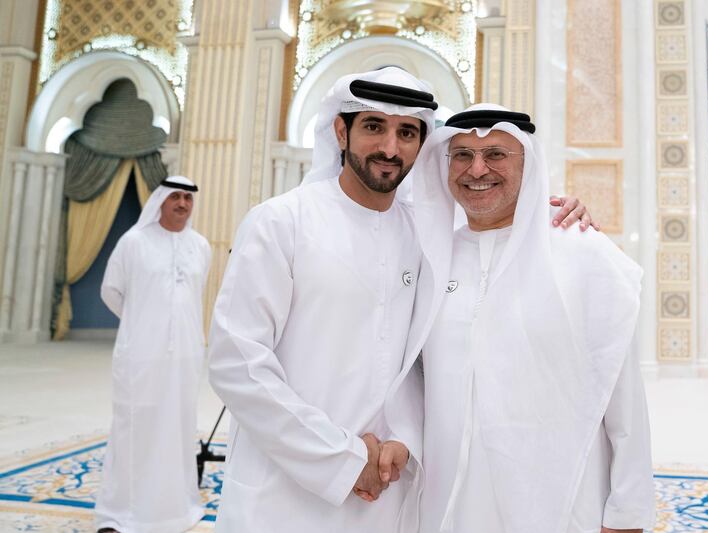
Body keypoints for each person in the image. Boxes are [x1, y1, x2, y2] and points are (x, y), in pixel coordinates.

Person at [207, 68, 593, 532]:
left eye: (406, 132)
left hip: (387, 487)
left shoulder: (426, 235)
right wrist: (340, 459)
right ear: (340, 131)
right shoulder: (280, 223)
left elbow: (420, 360)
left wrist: (405, 439)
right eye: (373, 127)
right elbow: (238, 362)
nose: (390, 148)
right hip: (284, 488)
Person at [386, 104, 655, 533]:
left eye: (496, 154)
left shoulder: (583, 254)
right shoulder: (431, 259)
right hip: (447, 505)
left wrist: (628, 513)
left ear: (527, 164)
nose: (477, 170)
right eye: (462, 156)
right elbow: (408, 378)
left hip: (560, 503)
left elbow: (624, 400)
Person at [95, 176, 211, 533]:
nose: (182, 204)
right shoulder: (133, 243)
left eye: (188, 198)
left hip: (185, 358)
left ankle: (174, 510)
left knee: (176, 429)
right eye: (175, 196)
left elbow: (194, 297)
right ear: (159, 200)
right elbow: (111, 292)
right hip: (140, 357)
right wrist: (142, 326)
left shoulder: (200, 246)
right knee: (134, 430)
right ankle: (119, 513)